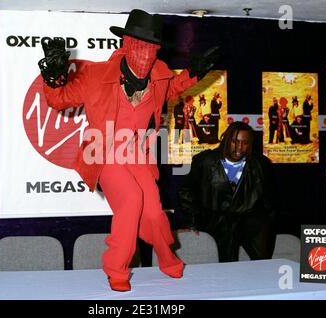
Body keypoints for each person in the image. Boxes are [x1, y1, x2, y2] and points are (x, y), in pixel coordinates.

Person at [38, 9, 219, 291]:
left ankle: (167, 257)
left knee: (154, 213)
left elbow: (172, 90)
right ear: (126, 43)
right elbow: (59, 100)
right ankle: (116, 270)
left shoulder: (159, 76)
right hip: (104, 151)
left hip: (138, 154)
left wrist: (194, 73)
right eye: (140, 44)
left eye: (152, 47)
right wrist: (53, 77)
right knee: (131, 200)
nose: (146, 53)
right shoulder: (95, 75)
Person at [178, 121, 277, 262]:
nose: (239, 147)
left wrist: (266, 223)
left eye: (245, 143)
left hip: (249, 220)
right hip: (216, 221)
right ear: (226, 140)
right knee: (223, 266)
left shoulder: (261, 164)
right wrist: (191, 223)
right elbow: (187, 192)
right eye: (234, 142)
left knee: (263, 262)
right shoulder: (205, 161)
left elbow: (270, 199)